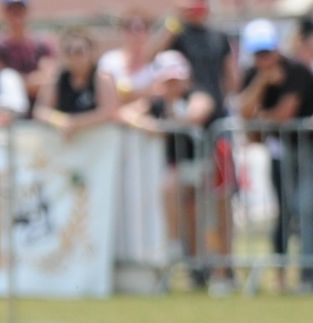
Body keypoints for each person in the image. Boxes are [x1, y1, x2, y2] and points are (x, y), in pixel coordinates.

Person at [151, 1, 237, 292]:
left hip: (215, 129)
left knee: (219, 203)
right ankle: (198, 267)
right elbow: (152, 55)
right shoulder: (176, 33)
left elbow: (230, 78)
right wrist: (173, 22)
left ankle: (225, 270)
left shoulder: (219, 36)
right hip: (189, 132)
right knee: (190, 206)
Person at [118, 50, 216, 273]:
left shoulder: (197, 94)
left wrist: (167, 122)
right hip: (179, 167)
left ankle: (207, 264)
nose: (172, 86)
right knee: (176, 198)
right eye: (167, 81)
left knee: (200, 216)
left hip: (206, 165)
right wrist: (151, 125)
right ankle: (183, 254)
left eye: (175, 80)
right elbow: (124, 114)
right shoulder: (156, 103)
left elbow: (195, 115)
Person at [238, 18, 313, 292]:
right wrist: (260, 82)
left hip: (306, 150)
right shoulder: (252, 74)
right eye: (259, 54)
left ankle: (307, 274)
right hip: (279, 152)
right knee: (282, 212)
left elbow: (285, 114)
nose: (265, 59)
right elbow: (244, 111)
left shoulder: (298, 72)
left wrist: (261, 117)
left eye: (267, 52)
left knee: (306, 208)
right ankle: (281, 276)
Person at [33, 27, 117, 139]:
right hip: (65, 149)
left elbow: (109, 112)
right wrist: (59, 121)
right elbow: (40, 111)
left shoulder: (101, 78)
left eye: (79, 51)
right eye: (68, 51)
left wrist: (76, 123)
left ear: (91, 52)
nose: (74, 56)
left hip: (99, 146)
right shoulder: (58, 78)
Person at [0, 0, 55, 114]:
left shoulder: (42, 45)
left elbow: (48, 79)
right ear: (4, 13)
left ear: (27, 12)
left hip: (39, 112)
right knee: (7, 77)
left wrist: (19, 82)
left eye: (20, 10)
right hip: (7, 117)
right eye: (12, 10)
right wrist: (29, 81)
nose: (16, 15)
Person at [98, 8, 158, 105]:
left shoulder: (159, 62)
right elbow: (108, 103)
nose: (134, 34)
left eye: (139, 28)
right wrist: (145, 93)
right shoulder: (109, 61)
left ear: (148, 31)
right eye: (128, 28)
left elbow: (162, 95)